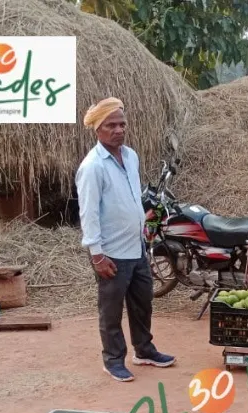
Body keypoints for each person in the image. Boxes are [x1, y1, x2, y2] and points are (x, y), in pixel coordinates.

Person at [76, 97, 174, 382]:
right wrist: (97, 254)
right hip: (110, 252)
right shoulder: (93, 167)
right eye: (111, 125)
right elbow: (89, 213)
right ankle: (113, 359)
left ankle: (143, 350)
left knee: (142, 302)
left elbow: (132, 195)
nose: (118, 130)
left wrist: (142, 223)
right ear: (98, 129)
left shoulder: (130, 156)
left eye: (122, 124)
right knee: (111, 309)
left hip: (136, 246)